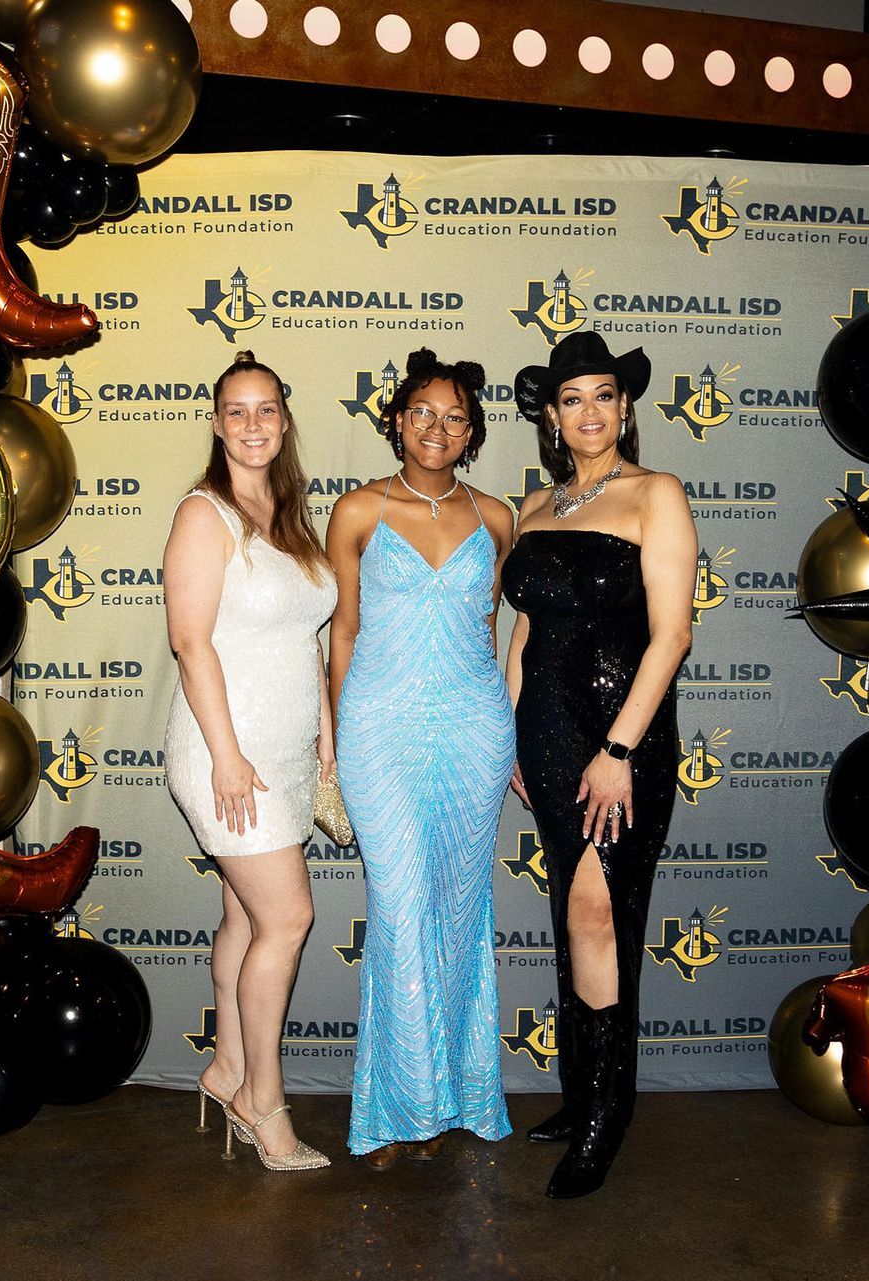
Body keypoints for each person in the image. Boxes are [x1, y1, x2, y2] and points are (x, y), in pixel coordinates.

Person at [501, 331, 697, 1199]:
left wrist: (619, 748)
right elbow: (525, 630)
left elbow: (674, 633)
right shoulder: (537, 507)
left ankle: (606, 1111)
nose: (590, 411)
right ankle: (580, 1091)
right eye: (571, 397)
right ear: (551, 414)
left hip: (624, 736)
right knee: (570, 910)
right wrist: (508, 733)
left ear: (625, 407)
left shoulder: (658, 493)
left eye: (605, 395)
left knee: (598, 913)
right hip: (543, 735)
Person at [327, 349, 517, 1169]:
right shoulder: (358, 511)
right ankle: (401, 1106)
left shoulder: (500, 517)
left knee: (460, 912)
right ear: (396, 420)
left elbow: (495, 630)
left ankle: (466, 1095)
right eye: (422, 413)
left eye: (455, 417)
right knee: (401, 910)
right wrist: (334, 744)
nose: (437, 427)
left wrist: (508, 716)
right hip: (380, 727)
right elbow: (341, 631)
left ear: (471, 433)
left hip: (473, 727)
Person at [163, 350, 337, 1173]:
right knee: (288, 918)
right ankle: (262, 1098)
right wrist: (227, 757)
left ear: (285, 418)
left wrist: (324, 736)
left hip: (286, 751)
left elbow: (307, 641)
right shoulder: (206, 513)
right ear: (216, 422)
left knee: (243, 916)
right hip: (227, 754)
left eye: (266, 408)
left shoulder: (291, 512)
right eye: (236, 410)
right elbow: (190, 642)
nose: (253, 423)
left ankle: (228, 1065)